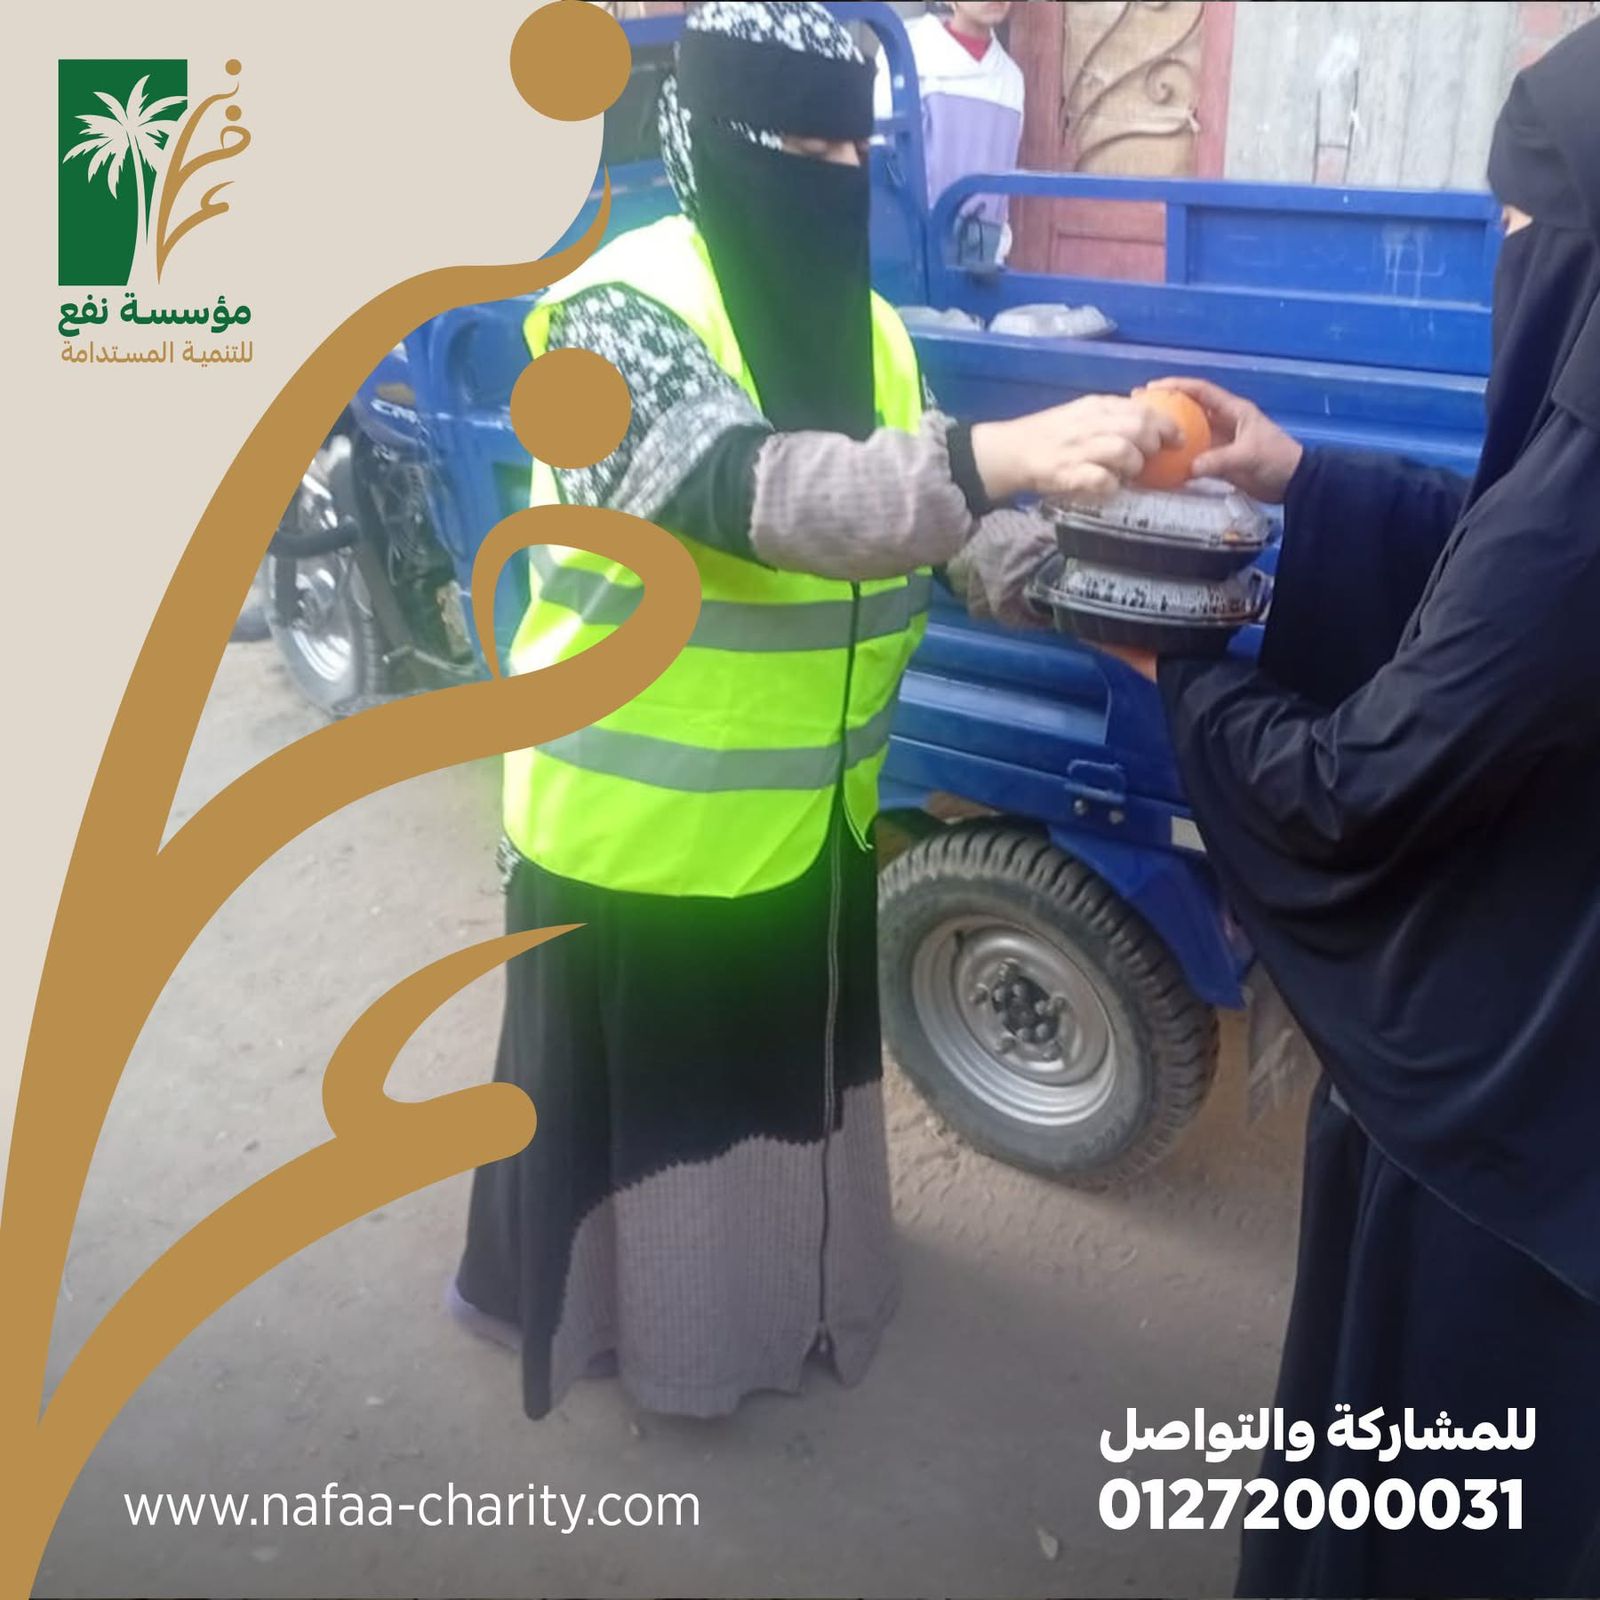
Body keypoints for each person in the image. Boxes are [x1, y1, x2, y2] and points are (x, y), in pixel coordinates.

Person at [452, 0, 1173, 1421]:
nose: (831, 178)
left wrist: (1119, 585)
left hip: (804, 811)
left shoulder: (874, 331)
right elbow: (757, 496)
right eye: (798, 147)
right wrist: (1001, 454)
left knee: (777, 1089)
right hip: (636, 824)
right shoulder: (612, 314)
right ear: (709, 138)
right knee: (656, 1113)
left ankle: (792, 1298)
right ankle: (659, 1343)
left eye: (853, 150)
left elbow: (956, 530)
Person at [1119, 20, 1600, 1595]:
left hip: (1520, 1168)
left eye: (1520, 221)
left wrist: (1180, 669)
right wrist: (1303, 479)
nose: (1504, 249)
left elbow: (1361, 792)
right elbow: (1505, 592)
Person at [873, 2, 1024, 266]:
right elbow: (882, 154)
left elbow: (1002, 182)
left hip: (981, 257)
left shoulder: (1011, 79)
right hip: (912, 247)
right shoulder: (908, 55)